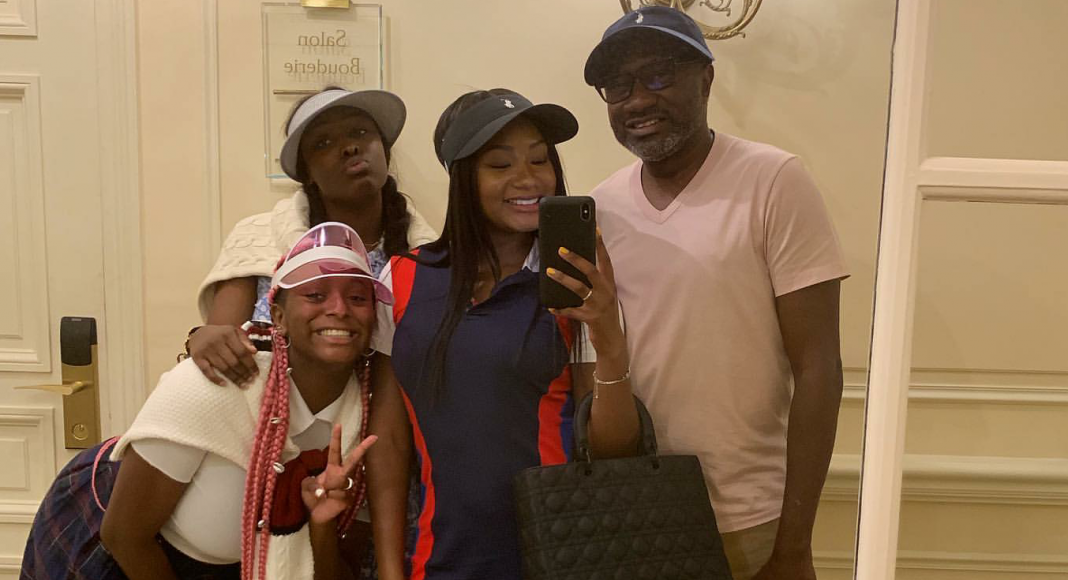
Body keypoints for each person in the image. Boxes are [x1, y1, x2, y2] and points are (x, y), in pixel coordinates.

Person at [583, 7, 851, 580]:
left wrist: (794, 544)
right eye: (618, 86)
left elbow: (819, 367)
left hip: (753, 519)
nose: (637, 100)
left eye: (658, 75)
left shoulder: (774, 180)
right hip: (638, 516)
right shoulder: (600, 207)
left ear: (706, 78)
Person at [364, 89, 641, 580]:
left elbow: (612, 451)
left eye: (540, 159)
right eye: (500, 164)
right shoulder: (403, 279)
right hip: (438, 558)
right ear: (462, 178)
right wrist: (389, 568)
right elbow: (388, 442)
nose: (528, 178)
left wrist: (608, 337)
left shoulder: (572, 284)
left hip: (557, 558)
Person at [20, 222, 383, 580]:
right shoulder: (216, 383)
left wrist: (321, 527)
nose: (339, 309)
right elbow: (124, 537)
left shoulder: (366, 419)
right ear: (278, 317)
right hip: (119, 558)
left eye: (357, 298)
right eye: (315, 295)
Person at [190, 87, 437, 388]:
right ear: (307, 172)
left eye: (360, 132)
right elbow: (220, 347)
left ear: (384, 150)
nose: (350, 147)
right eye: (323, 143)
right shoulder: (259, 237)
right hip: (266, 411)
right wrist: (201, 338)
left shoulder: (429, 258)